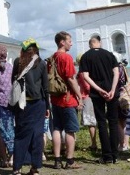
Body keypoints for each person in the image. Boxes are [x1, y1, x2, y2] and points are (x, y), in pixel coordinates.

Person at [11, 38, 49, 175]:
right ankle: (35, 168)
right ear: (36, 49)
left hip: (22, 105)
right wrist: (48, 107)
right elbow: (46, 87)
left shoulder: (18, 62)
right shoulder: (42, 63)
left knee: (21, 136)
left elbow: (13, 83)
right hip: (39, 104)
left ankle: (17, 169)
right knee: (37, 136)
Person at [79, 35, 120, 164]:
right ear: (99, 43)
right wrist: (113, 89)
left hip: (97, 93)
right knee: (113, 122)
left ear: (90, 44)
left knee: (102, 122)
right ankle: (115, 154)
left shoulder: (86, 56)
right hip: (112, 91)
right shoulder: (109, 55)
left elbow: (85, 76)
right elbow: (117, 72)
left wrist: (98, 89)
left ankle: (107, 156)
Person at [49, 31, 83, 170]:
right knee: (70, 130)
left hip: (55, 98)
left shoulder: (51, 58)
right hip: (67, 98)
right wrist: (79, 95)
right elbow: (70, 78)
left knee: (57, 128)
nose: (71, 43)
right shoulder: (66, 57)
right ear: (62, 42)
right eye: (69, 40)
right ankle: (69, 160)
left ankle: (57, 160)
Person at [76, 53, 97, 152]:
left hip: (85, 97)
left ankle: (94, 144)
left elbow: (87, 86)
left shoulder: (81, 73)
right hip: (88, 97)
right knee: (91, 121)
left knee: (90, 121)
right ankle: (94, 143)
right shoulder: (90, 71)